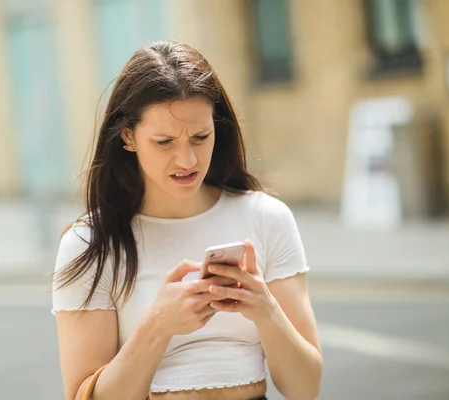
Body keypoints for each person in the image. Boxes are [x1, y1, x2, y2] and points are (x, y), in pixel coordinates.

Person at [52, 41, 322, 400]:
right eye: (164, 141)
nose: (187, 160)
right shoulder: (91, 243)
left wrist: (266, 310)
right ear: (129, 137)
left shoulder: (266, 217)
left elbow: (305, 389)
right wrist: (157, 326)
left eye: (200, 137)